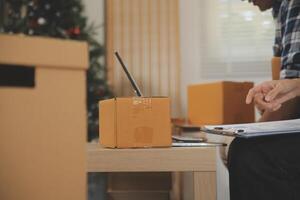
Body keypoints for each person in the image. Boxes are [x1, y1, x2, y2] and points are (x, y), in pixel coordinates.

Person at [227, 0, 300, 200]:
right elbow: (287, 83)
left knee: (248, 154)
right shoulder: (282, 10)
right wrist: (276, 96)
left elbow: (290, 99)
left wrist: (253, 132)